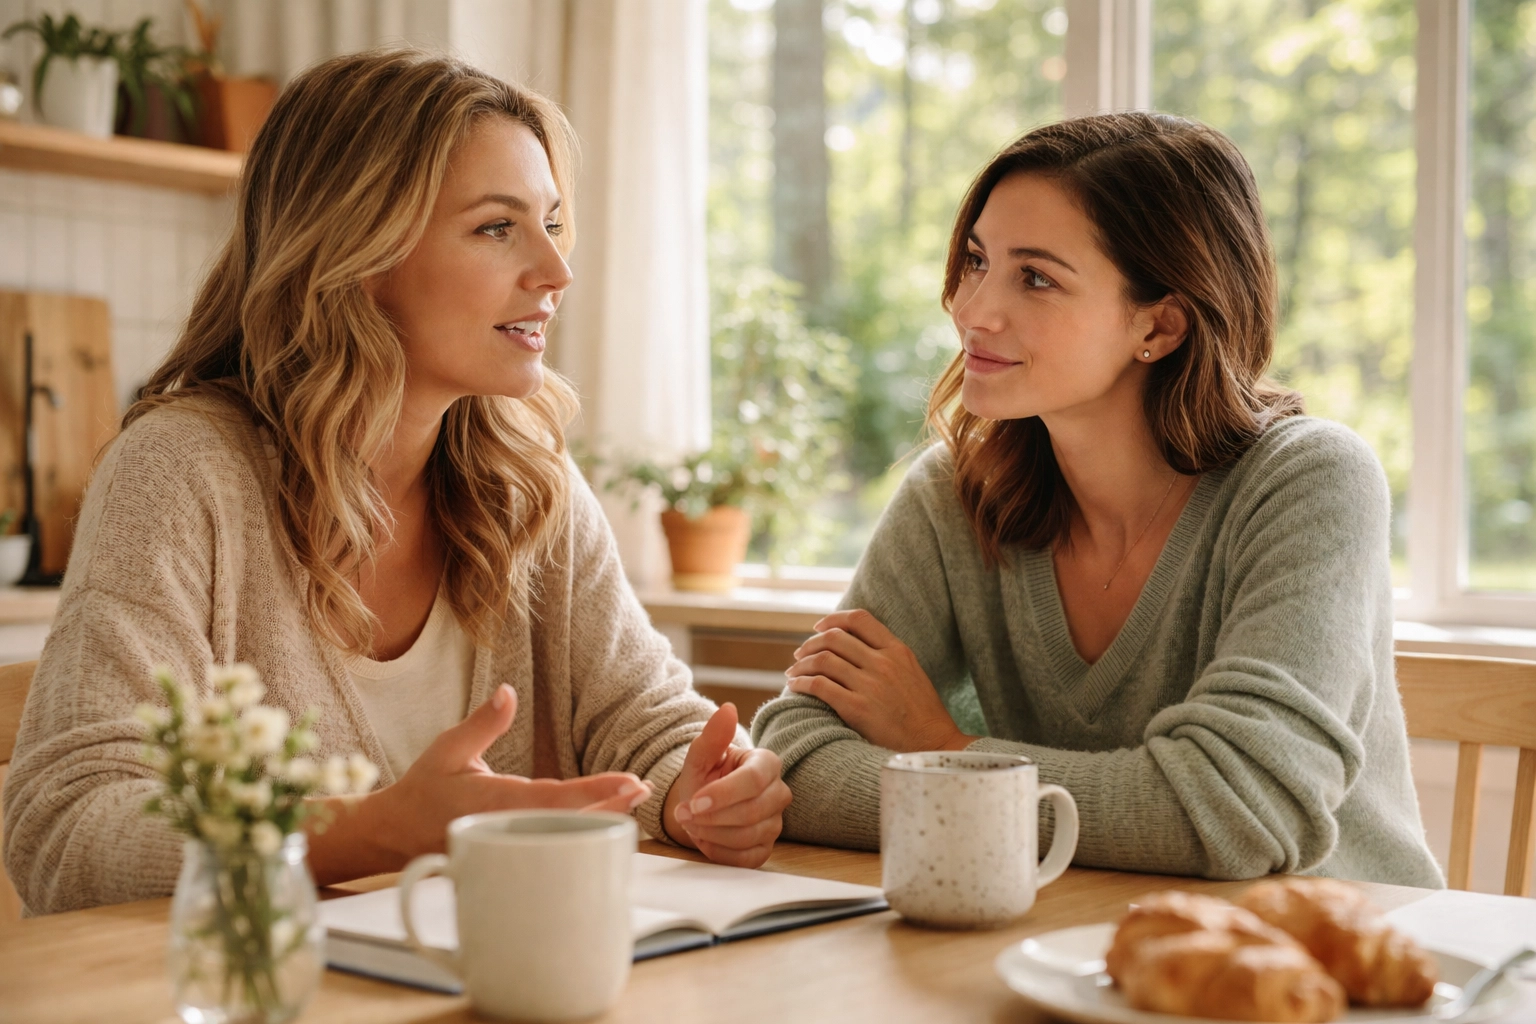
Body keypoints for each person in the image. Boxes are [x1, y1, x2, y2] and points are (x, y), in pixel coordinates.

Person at [3, 49, 790, 915]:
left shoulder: (531, 479)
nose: (556, 273)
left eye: (551, 224)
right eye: (498, 228)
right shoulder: (182, 473)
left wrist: (700, 791)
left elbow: (646, 722)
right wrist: (374, 828)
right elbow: (67, 833)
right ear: (359, 251)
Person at [751, 112, 1442, 888]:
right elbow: (794, 761)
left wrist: (944, 749)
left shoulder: (1310, 481)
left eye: (1036, 277)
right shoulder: (955, 495)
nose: (973, 308)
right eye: (977, 260)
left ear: (1160, 325)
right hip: (1074, 949)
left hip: (1333, 970)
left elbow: (1240, 813)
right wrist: (972, 774)